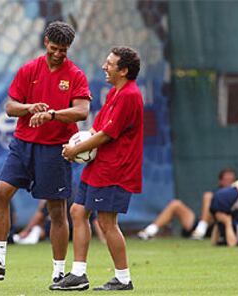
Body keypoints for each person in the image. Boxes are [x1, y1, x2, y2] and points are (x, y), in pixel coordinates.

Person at [0, 21, 91, 285]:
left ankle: (59, 272)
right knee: (0, 192)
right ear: (45, 42)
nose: (59, 54)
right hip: (23, 144)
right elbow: (10, 107)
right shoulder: (29, 70)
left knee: (57, 211)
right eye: (54, 48)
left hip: (55, 149)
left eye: (64, 49)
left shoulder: (75, 75)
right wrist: (28, 108)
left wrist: (51, 114)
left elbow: (82, 111)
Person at [53, 46, 143, 291]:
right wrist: (74, 145)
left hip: (116, 169)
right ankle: (78, 274)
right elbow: (96, 130)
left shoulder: (130, 95)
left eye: (110, 64)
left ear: (123, 70)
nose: (105, 67)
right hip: (99, 166)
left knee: (106, 222)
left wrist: (75, 151)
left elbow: (106, 135)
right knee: (78, 211)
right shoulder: (115, 92)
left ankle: (123, 279)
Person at [137, 168, 237, 240]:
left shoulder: (237, 196)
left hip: (216, 228)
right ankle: (150, 231)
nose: (229, 183)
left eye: (231, 180)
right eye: (226, 180)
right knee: (176, 204)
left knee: (209, 198)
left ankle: (201, 230)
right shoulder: (215, 193)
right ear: (220, 181)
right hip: (198, 225)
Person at [13, 199, 106, 245]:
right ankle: (33, 234)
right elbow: (94, 220)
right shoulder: (80, 196)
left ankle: (34, 234)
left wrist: (25, 231)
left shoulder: (56, 197)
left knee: (52, 224)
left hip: (64, 231)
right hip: (74, 233)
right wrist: (102, 238)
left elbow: (40, 216)